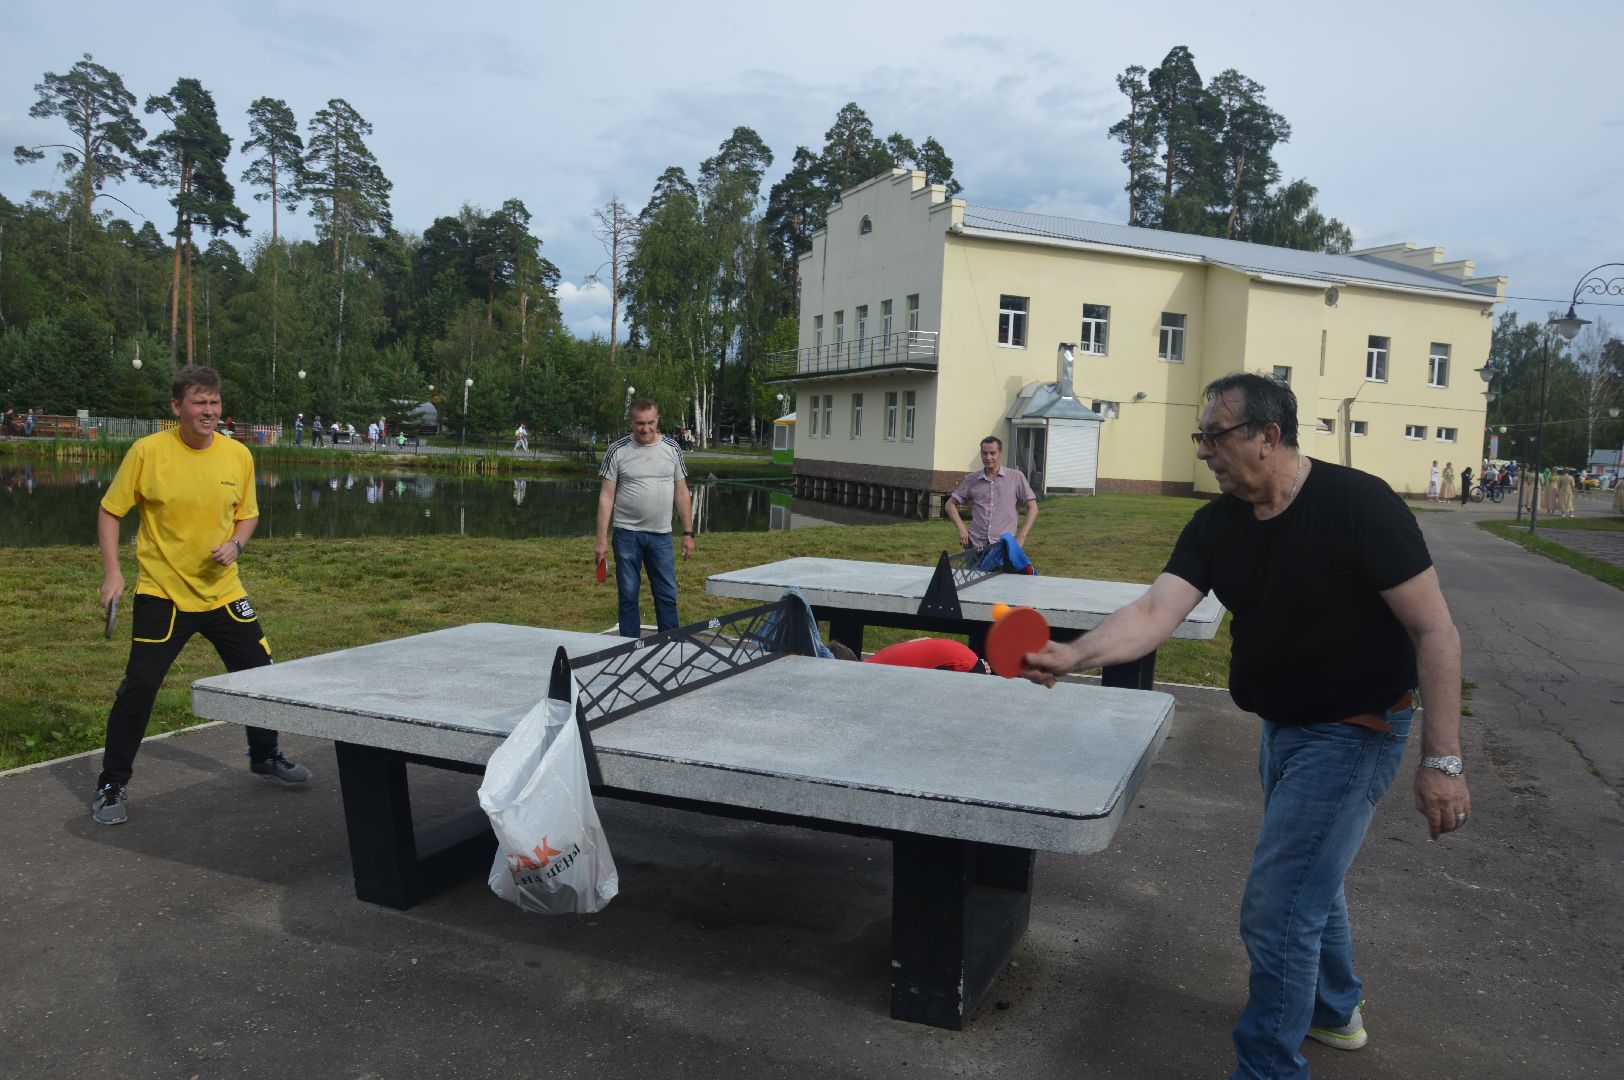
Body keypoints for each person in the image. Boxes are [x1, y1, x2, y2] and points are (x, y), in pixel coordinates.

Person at [1024, 372, 1469, 1080]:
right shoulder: (1217, 524)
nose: (1203, 451)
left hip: (1357, 729)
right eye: (1199, 436)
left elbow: (1435, 631)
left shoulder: (1359, 505)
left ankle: (1267, 1069)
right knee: (1309, 880)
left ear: (1269, 435)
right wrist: (1074, 653)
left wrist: (1442, 762)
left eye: (1214, 435)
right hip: (1282, 728)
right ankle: (1331, 1008)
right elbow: (1151, 614)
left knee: (1278, 905)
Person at [91, 365, 311, 826]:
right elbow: (111, 512)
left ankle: (264, 754)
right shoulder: (147, 452)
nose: (208, 411)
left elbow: (247, 515)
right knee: (141, 687)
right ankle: (112, 784)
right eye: (198, 402)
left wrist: (237, 543)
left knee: (261, 677)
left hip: (223, 593)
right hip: (162, 594)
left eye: (214, 402)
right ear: (177, 407)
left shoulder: (238, 456)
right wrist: (113, 573)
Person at [595, 398, 695, 639]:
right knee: (628, 596)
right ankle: (630, 648)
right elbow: (606, 497)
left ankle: (670, 647)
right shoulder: (617, 450)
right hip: (626, 535)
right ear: (631, 422)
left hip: (661, 536)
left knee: (667, 595)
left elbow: (681, 492)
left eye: (650, 423)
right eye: (640, 423)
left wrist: (688, 533)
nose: (646, 429)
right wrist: (601, 540)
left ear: (657, 420)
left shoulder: (672, 448)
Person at [944, 435, 1039, 549]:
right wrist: (962, 529)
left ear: (1000, 454)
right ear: (981, 454)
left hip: (1004, 547)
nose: (988, 457)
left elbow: (1033, 507)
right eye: (985, 453)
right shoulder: (971, 480)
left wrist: (1022, 536)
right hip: (975, 546)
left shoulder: (1016, 477)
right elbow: (950, 505)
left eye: (992, 453)